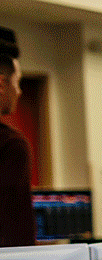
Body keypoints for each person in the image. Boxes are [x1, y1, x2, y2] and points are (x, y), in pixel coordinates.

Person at [0, 26, 34, 248]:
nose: (19, 91)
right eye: (17, 82)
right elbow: (16, 235)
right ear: (2, 84)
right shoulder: (10, 145)